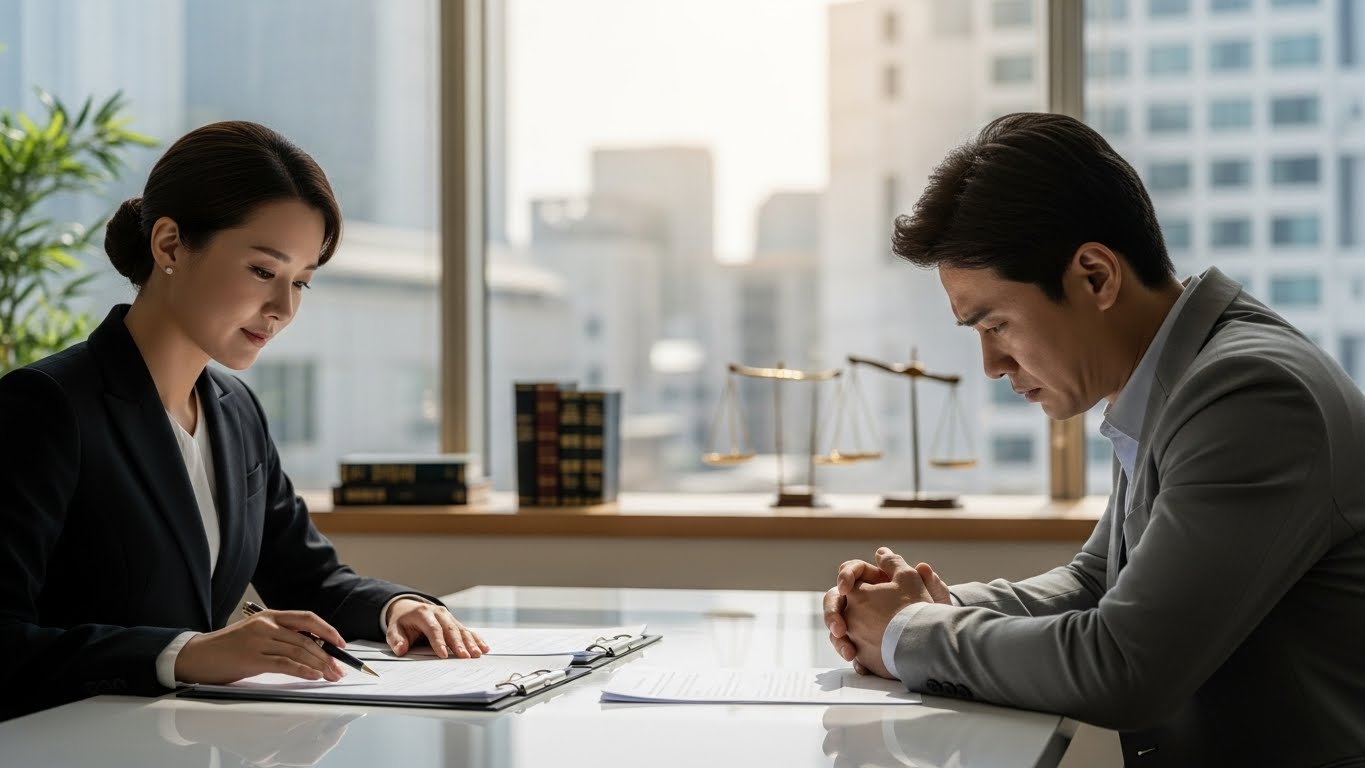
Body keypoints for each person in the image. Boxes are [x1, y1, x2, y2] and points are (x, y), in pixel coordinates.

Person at [822, 113, 1365, 765]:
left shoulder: (1247, 395)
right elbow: (1097, 582)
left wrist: (911, 633)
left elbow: (1125, 666)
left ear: (1095, 277)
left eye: (994, 324)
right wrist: (927, 605)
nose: (991, 366)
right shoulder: (1174, 374)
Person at [0, 121, 488, 721]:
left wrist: (399, 608)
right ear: (170, 245)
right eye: (263, 271)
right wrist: (184, 654)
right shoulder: (44, 407)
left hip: (183, 742)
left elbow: (309, 579)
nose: (284, 309)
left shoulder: (236, 410)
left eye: (301, 282)